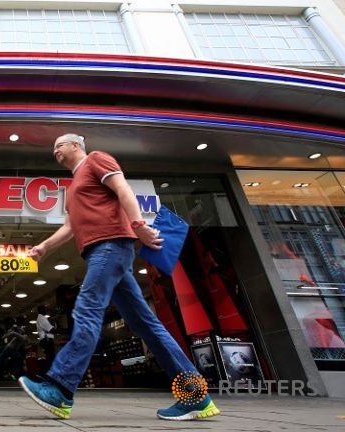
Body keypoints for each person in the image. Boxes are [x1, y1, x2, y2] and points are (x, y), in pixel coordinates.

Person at [18, 133, 220, 421]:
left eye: (59, 145)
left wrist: (137, 224)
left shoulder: (96, 159)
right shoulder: (73, 187)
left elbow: (123, 189)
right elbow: (71, 226)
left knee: (87, 310)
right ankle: (196, 397)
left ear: (76, 145)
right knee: (146, 324)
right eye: (52, 148)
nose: (55, 151)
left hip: (110, 246)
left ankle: (60, 389)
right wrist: (45, 247)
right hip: (103, 252)